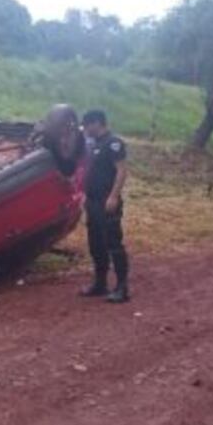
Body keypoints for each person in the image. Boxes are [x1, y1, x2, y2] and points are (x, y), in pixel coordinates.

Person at [79, 109, 130, 303]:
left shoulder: (113, 144)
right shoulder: (94, 144)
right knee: (96, 244)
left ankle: (122, 287)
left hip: (107, 201)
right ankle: (100, 283)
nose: (85, 130)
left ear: (97, 123)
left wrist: (113, 196)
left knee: (113, 243)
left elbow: (121, 171)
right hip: (92, 201)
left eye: (87, 125)